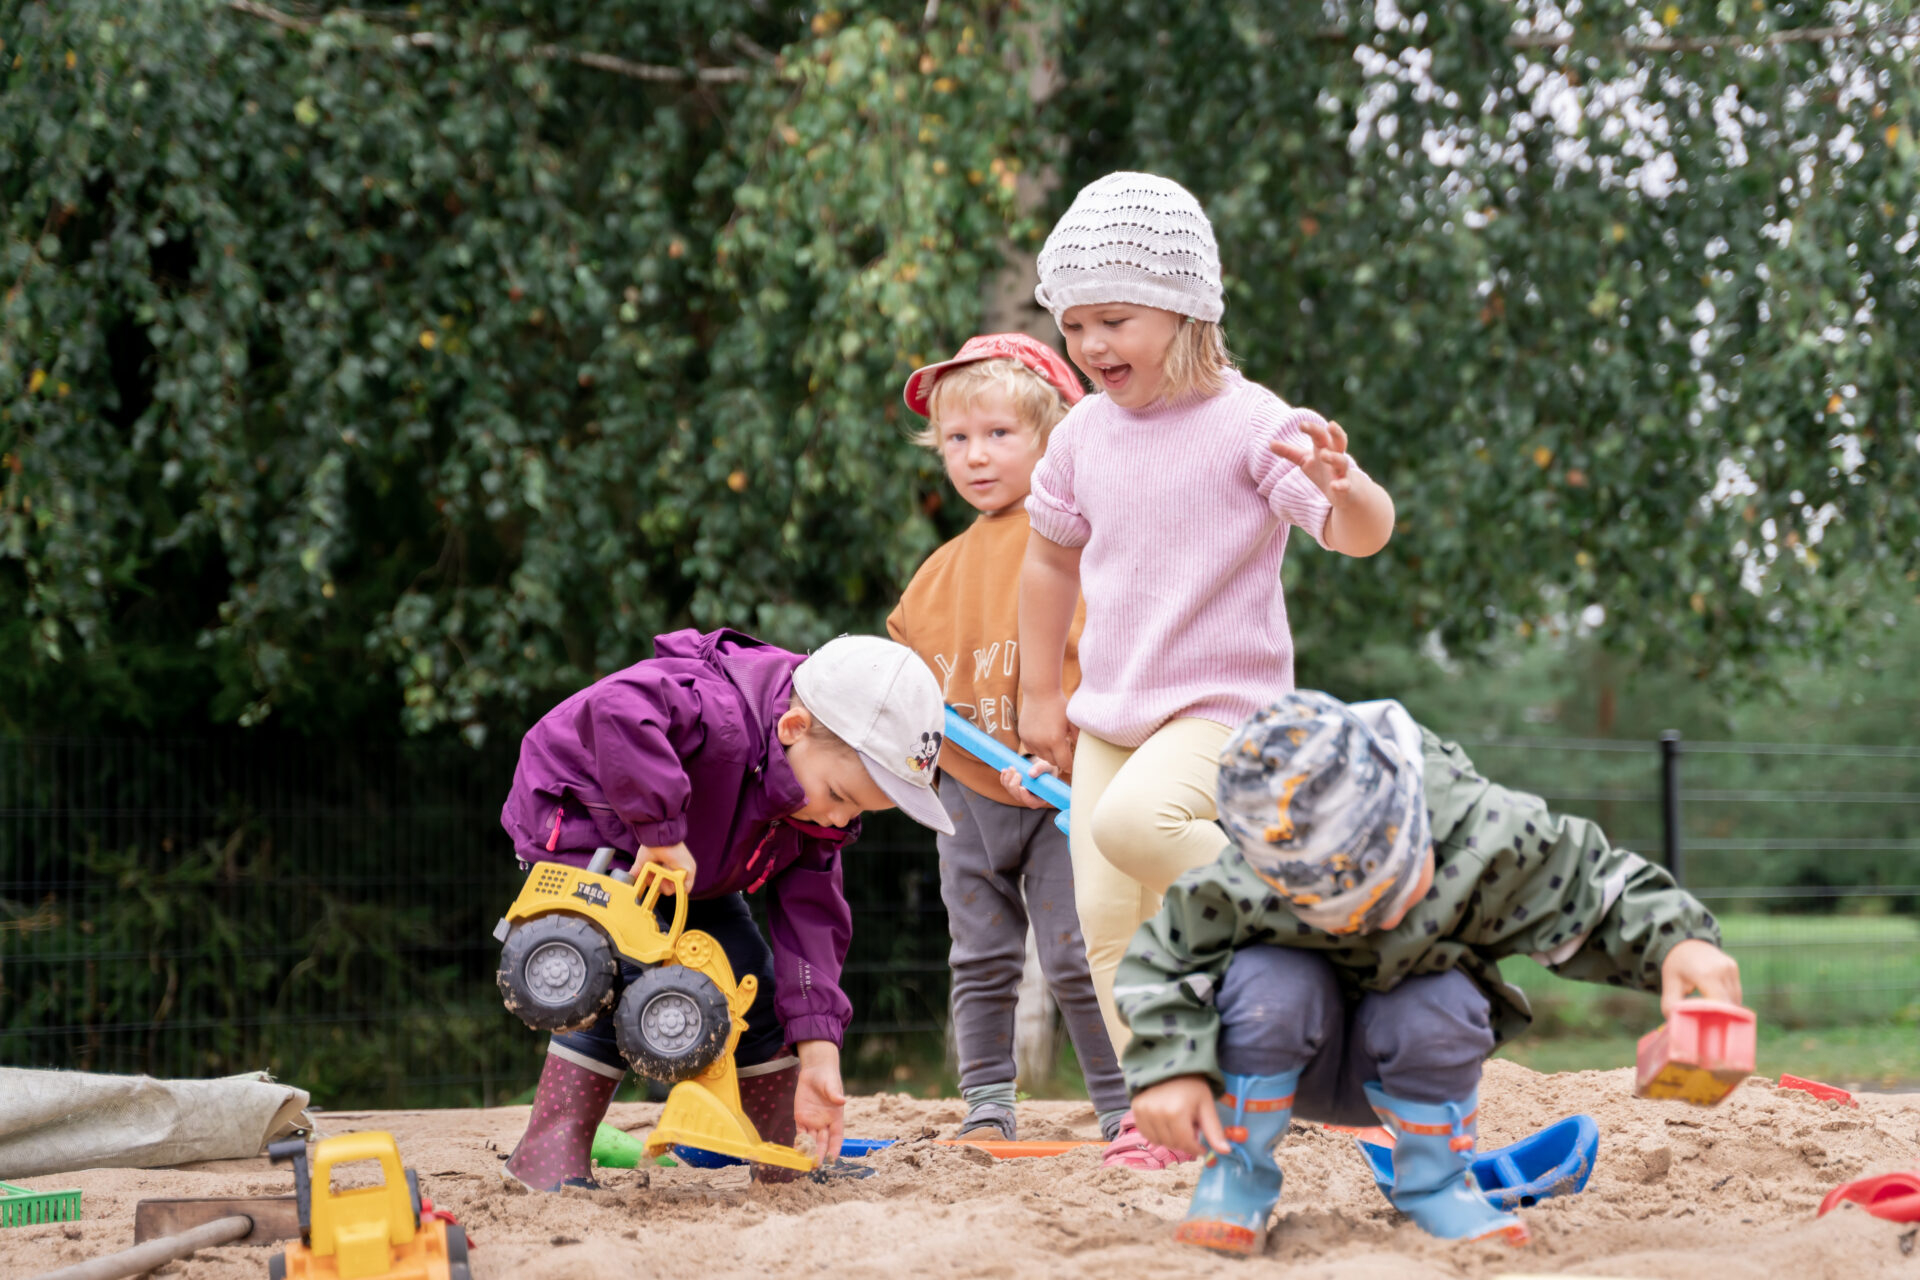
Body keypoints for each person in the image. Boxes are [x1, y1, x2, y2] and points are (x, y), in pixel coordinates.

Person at [1014, 171, 1397, 1166]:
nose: (1093, 346)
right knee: (1103, 917)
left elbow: (1361, 536)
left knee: (1138, 824)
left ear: (1184, 308)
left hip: (1225, 706)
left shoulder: (1250, 421)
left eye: (1114, 319)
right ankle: (1168, 1112)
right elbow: (1049, 556)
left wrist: (1346, 486)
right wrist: (1041, 693)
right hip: (1112, 713)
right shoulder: (1082, 436)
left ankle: (1308, 928)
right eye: (1075, 325)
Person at [1116, 690, 1743, 1252]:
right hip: (1281, 1060)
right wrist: (1171, 1068)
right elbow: (1165, 958)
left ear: (1412, 819)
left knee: (1439, 994)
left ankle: (1437, 1186)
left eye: (1388, 894)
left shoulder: (1486, 833)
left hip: (1414, 1069)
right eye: (1332, 914)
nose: (1367, 922)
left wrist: (1680, 942)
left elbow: (1594, 889)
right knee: (1268, 981)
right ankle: (1236, 1176)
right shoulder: (1248, 874)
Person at [498, 628, 954, 1191]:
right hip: (592, 828)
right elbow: (617, 708)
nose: (841, 820)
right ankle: (545, 1156)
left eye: (860, 810)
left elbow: (812, 928)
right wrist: (660, 829)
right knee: (622, 973)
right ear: (793, 729)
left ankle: (782, 1155)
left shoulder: (812, 815)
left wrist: (819, 1054)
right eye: (839, 795)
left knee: (746, 980)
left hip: (693, 872)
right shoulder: (716, 710)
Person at [886, 333, 1130, 1144]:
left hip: (1064, 791)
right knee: (980, 958)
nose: (973, 457)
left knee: (1075, 954)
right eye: (956, 439)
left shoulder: (1077, 541)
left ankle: (1123, 1109)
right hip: (968, 797)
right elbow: (906, 685)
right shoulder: (935, 574)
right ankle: (988, 1105)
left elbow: (1116, 654)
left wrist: (1064, 748)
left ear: (1054, 436)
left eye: (998, 435)